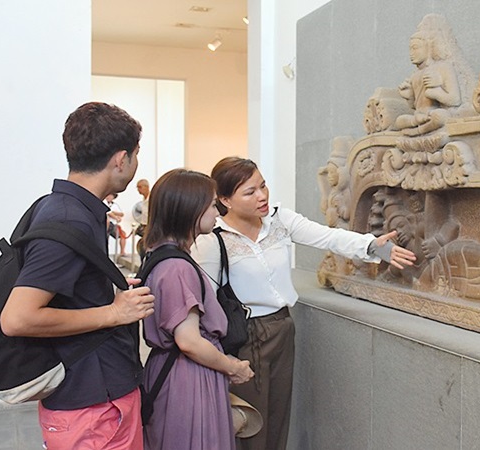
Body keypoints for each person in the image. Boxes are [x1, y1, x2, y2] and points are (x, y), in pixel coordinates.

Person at [191, 157, 416, 450]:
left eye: (263, 185)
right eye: (249, 192)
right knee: (248, 423)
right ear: (225, 200)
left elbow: (328, 237)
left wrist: (372, 246)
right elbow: (202, 301)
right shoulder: (213, 240)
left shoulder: (279, 221)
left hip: (282, 327)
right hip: (243, 335)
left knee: (278, 416)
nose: (262, 196)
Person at [0, 102, 155, 449]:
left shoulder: (70, 208)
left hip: (97, 397)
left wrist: (108, 295)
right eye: (136, 154)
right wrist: (114, 312)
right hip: (92, 407)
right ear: (120, 159)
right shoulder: (70, 217)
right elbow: (18, 318)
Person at [141, 169, 255, 450]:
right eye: (212, 204)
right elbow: (189, 341)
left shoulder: (163, 256)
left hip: (182, 373)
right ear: (190, 209)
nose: (217, 212)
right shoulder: (177, 267)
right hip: (187, 378)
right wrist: (233, 367)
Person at [133, 178, 150, 258]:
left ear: (146, 187)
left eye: (140, 187)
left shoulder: (152, 198)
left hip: (149, 227)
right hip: (144, 226)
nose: (138, 190)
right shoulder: (144, 200)